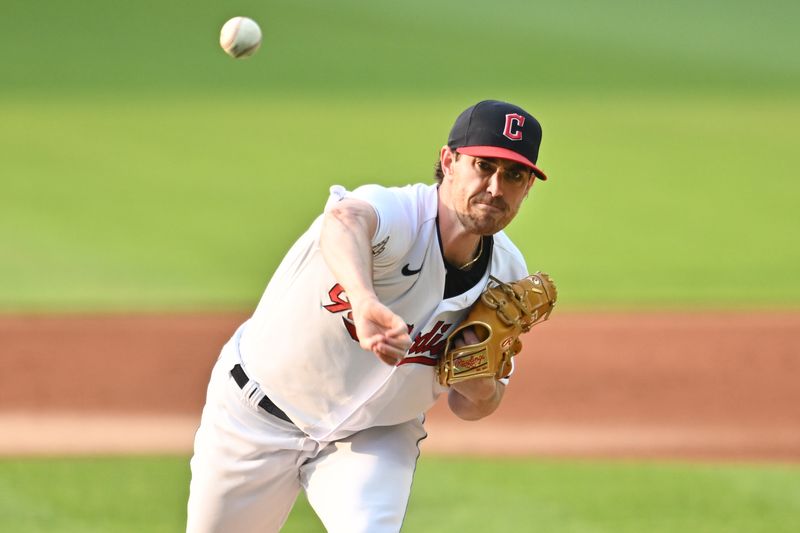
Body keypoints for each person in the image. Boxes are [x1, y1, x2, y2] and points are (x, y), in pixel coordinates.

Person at [186, 99, 550, 533]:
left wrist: (480, 386)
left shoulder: (506, 274)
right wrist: (362, 298)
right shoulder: (399, 214)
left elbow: (476, 406)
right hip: (256, 417)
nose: (495, 187)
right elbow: (344, 219)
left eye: (514, 175)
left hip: (375, 438)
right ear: (449, 161)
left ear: (528, 187)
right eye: (484, 166)